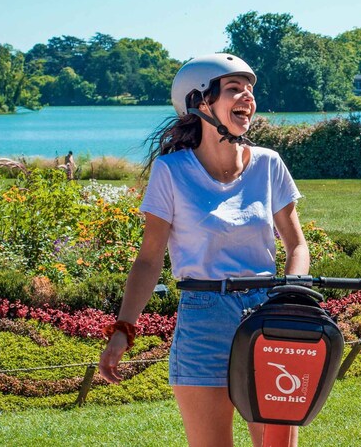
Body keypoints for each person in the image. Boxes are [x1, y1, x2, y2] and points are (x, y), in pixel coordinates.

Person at [99, 53, 310, 447]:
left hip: (269, 316)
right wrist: (123, 328)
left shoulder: (269, 164)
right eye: (233, 89)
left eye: (249, 89)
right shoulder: (171, 171)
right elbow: (149, 259)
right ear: (200, 103)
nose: (246, 96)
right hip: (203, 319)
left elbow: (296, 243)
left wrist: (292, 296)